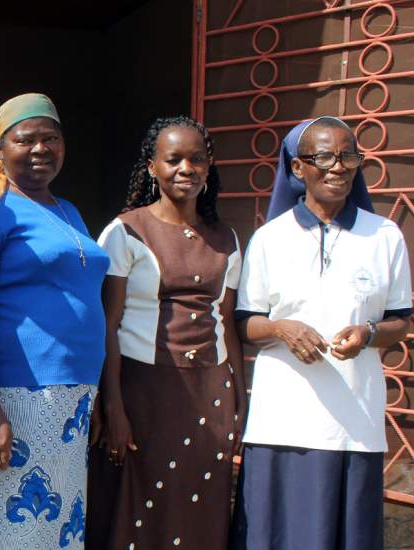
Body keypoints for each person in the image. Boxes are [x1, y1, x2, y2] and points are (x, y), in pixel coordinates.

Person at [230, 116, 411, 550]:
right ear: (297, 168)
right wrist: (281, 328)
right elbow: (245, 322)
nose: (339, 166)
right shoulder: (270, 238)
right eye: (325, 156)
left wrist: (368, 333)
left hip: (353, 419)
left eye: (349, 156)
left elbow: (402, 320)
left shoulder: (384, 236)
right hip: (282, 420)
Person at [0, 93, 110, 549]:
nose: (41, 149)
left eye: (51, 138)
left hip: (72, 397)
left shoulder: (67, 210)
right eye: (26, 139)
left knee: (54, 526)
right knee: (4, 525)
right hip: (18, 394)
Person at [85, 116, 246, 550]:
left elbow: (226, 322)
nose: (186, 169)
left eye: (196, 160)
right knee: (141, 500)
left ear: (209, 167)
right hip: (143, 391)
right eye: (173, 159)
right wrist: (112, 405)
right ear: (152, 167)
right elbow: (107, 324)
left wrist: (239, 397)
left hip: (211, 389)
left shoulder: (226, 238)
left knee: (201, 499)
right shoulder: (126, 231)